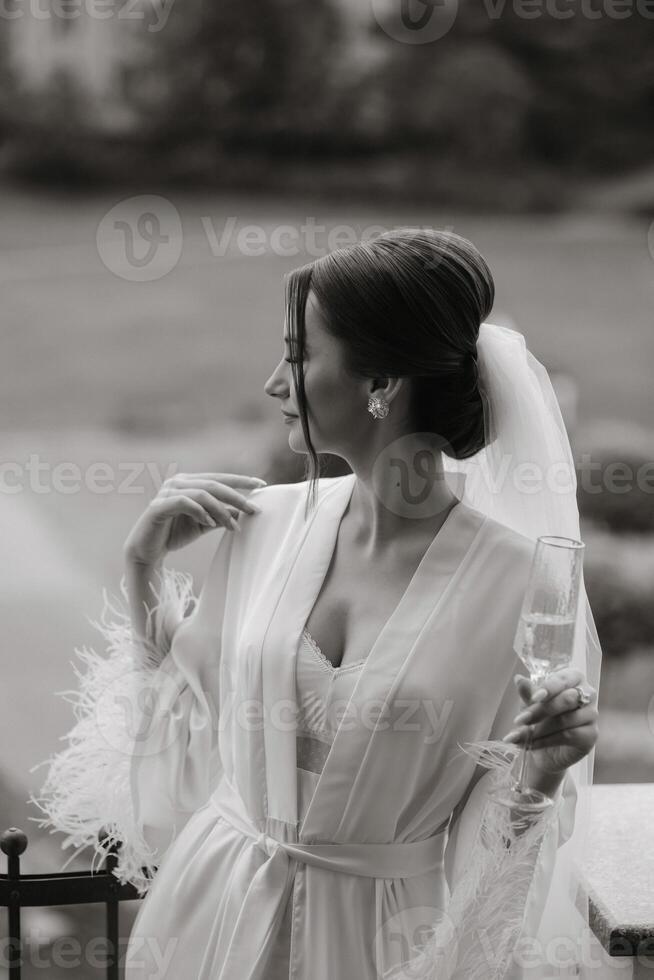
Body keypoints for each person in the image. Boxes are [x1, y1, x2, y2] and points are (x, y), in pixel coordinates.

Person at [30, 228, 600, 980]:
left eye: (298, 356)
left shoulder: (525, 585)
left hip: (382, 947)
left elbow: (493, 847)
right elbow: (186, 735)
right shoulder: (261, 524)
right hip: (208, 923)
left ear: (382, 385)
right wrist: (141, 567)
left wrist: (543, 775)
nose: (274, 381)